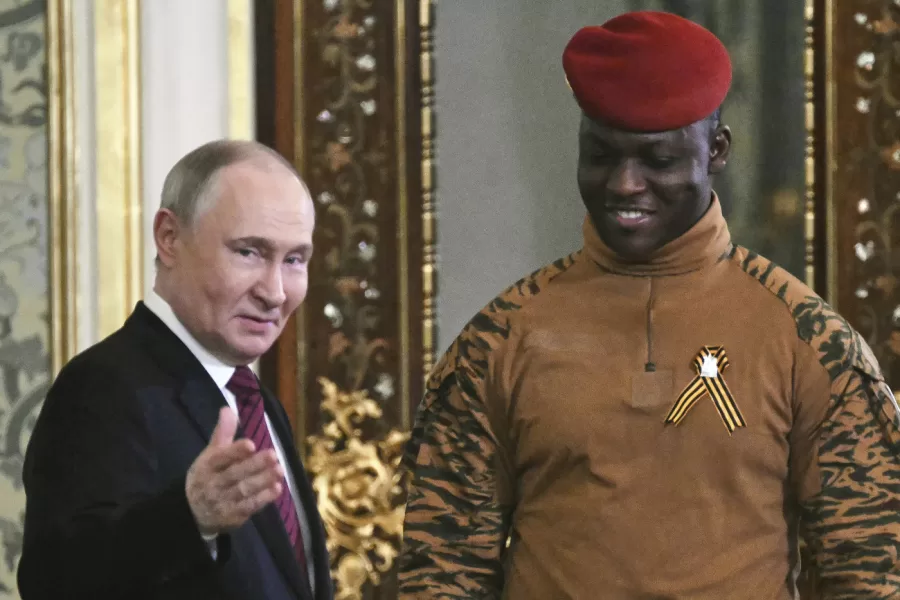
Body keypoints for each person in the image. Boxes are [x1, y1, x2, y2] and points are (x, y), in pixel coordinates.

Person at [398, 11, 900, 600]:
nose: (624, 184)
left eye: (657, 160)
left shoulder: (810, 341)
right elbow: (440, 573)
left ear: (716, 149)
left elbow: (869, 570)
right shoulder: (499, 341)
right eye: (602, 156)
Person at [18, 140, 333, 600]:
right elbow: (56, 581)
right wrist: (189, 519)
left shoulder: (254, 400)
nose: (275, 291)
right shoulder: (106, 387)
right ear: (169, 238)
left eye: (294, 260)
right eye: (249, 252)